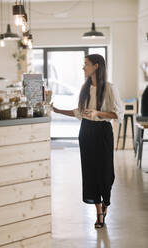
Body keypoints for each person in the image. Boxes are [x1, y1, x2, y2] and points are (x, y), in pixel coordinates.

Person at [51, 54, 124, 228]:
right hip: (86, 132)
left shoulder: (109, 88)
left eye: (86, 64)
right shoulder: (85, 88)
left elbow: (118, 114)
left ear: (96, 66)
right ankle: (99, 213)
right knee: (90, 172)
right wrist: (57, 110)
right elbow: (80, 112)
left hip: (103, 133)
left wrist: (98, 113)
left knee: (106, 173)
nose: (83, 68)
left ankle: (105, 202)